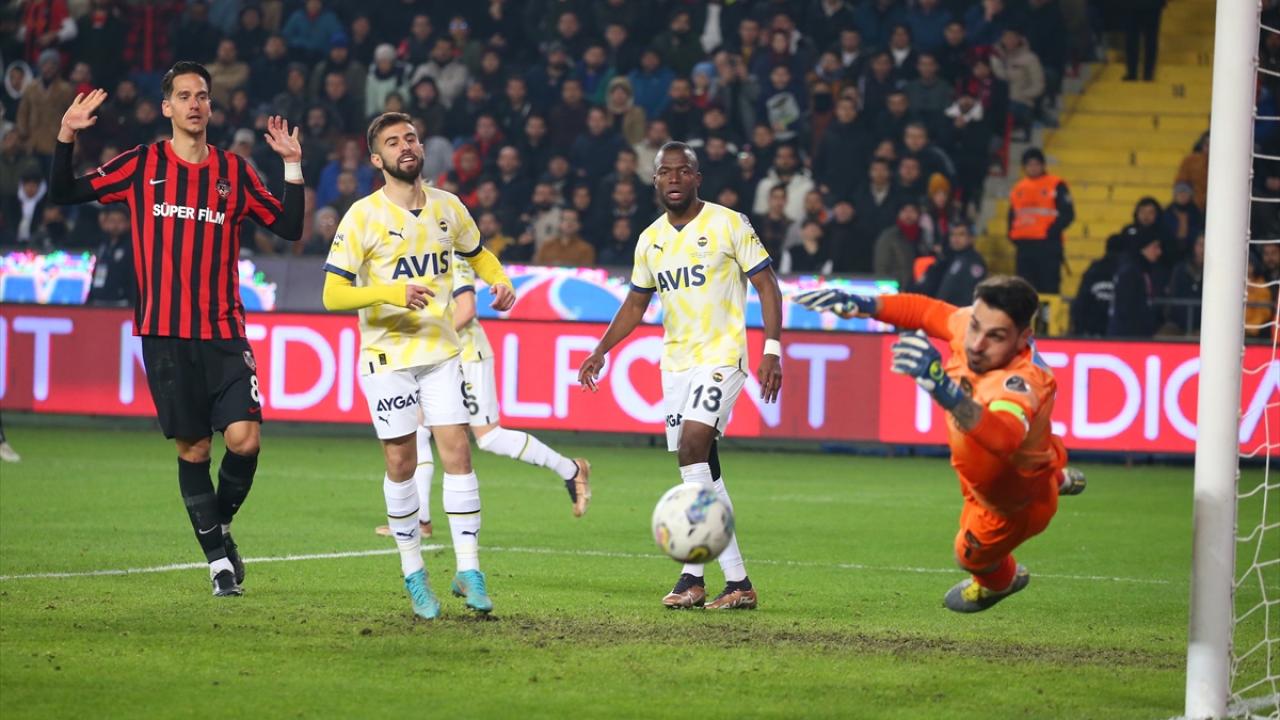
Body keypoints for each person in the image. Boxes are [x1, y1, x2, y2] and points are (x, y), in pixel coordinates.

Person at [49, 62, 305, 597]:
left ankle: (220, 524)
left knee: (245, 441)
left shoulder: (234, 172)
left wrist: (292, 166)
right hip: (165, 335)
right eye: (184, 96)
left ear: (211, 106)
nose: (194, 104)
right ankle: (218, 565)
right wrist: (66, 135)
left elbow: (288, 226)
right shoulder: (141, 164)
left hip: (224, 331)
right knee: (194, 451)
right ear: (167, 107)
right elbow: (65, 191)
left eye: (202, 95)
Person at [321, 111, 517, 620]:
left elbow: (479, 254)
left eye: (410, 138)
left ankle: (469, 570)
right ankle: (414, 573)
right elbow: (332, 294)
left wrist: (500, 281)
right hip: (387, 358)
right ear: (376, 158)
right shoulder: (362, 216)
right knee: (401, 464)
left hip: (441, 352)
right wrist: (391, 292)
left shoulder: (448, 207)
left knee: (459, 453)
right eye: (392, 142)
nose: (405, 146)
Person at [795, 275, 1085, 613]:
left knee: (968, 556)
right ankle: (1055, 478)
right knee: (1026, 459)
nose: (977, 344)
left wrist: (942, 387)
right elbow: (924, 311)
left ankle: (1003, 582)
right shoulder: (972, 327)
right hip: (1013, 464)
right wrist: (865, 304)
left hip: (1009, 504)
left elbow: (1005, 438)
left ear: (1023, 337)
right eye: (975, 326)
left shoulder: (1020, 382)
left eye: (995, 336)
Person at [578, 141, 784, 611]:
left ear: (697, 178)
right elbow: (636, 303)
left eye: (682, 170)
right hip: (675, 365)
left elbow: (768, 285)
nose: (673, 178)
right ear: (654, 180)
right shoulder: (650, 239)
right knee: (701, 469)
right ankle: (717, 581)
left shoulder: (729, 223)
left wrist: (771, 350)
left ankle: (713, 577)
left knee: (693, 448)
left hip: (722, 357)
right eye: (665, 172)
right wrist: (601, 350)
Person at [374, 253, 593, 538]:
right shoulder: (419, 250)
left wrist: (426, 342)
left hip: (466, 358)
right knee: (417, 429)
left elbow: (466, 309)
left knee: (489, 437)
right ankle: (421, 519)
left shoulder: (451, 255)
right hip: (435, 360)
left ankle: (571, 469)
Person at [1007, 148, 1074, 294]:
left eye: (1036, 164)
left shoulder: (1056, 184)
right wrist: (1013, 236)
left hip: (1048, 245)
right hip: (1024, 246)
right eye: (1029, 164)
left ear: (1043, 165)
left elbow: (1068, 214)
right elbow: (1012, 215)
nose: (1033, 168)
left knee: (1048, 288)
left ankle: (1046, 311)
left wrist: (1051, 232)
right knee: (1024, 289)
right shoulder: (1018, 188)